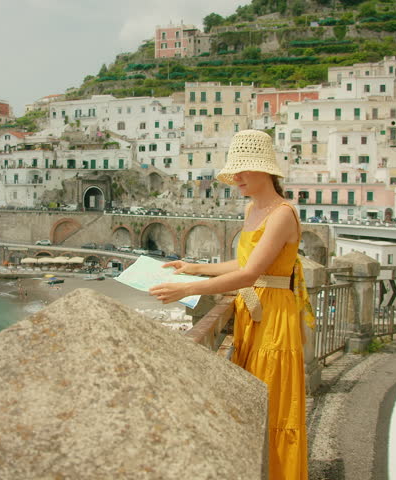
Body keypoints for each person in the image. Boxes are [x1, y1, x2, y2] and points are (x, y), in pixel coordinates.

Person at [149, 129, 309, 479]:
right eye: (234, 170)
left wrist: (187, 288)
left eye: (243, 170)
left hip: (274, 317)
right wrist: (193, 267)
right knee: (254, 398)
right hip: (253, 313)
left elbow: (251, 274)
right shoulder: (254, 208)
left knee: (274, 402)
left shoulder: (282, 213)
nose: (235, 177)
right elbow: (242, 263)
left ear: (264, 170)